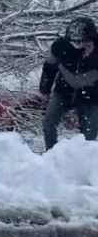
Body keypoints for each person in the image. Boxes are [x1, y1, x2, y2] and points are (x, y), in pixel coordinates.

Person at [39, 17, 98, 151]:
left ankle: (85, 157)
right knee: (49, 122)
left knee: (89, 133)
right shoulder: (60, 49)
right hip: (64, 92)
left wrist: (91, 56)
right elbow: (49, 68)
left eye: (82, 41)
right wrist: (45, 90)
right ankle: (51, 153)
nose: (78, 44)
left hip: (93, 97)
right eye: (75, 41)